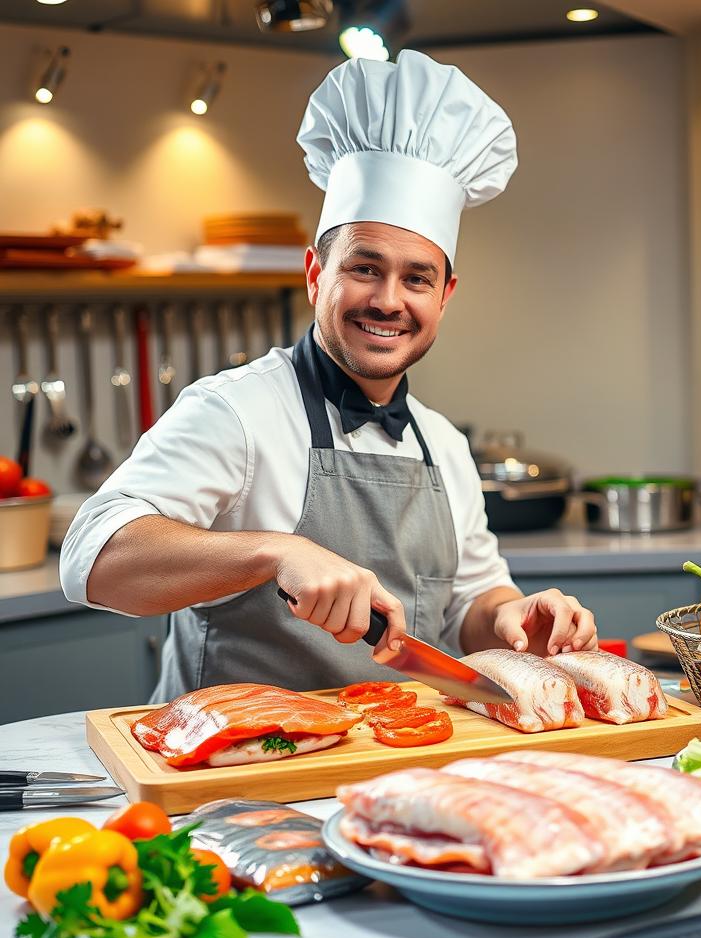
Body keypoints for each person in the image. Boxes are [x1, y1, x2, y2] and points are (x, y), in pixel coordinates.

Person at [60, 50, 598, 701]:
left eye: (416, 278)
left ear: (446, 295)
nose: (389, 300)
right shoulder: (235, 412)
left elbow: (467, 610)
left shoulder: (445, 447)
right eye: (364, 268)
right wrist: (274, 553)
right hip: (233, 780)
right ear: (316, 274)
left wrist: (511, 619)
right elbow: (92, 558)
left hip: (392, 766)